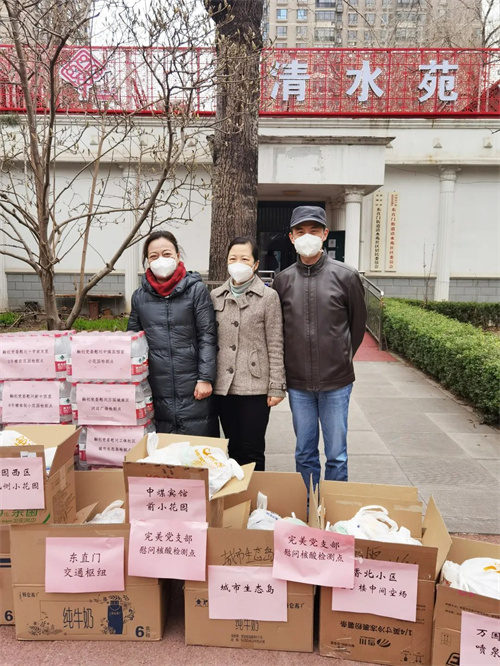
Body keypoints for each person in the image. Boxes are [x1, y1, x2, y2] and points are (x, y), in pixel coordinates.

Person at [272, 206, 367, 489]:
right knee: (304, 452)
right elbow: (278, 330)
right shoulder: (283, 280)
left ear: (325, 234)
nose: (307, 237)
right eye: (300, 231)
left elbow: (357, 326)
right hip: (298, 384)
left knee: (337, 454)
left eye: (314, 231)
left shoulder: (346, 276)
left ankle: (334, 507)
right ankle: (308, 504)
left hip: (336, 382)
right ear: (291, 237)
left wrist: (341, 358)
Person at [127, 230, 217, 436]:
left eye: (166, 254)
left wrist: (205, 377)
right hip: (156, 385)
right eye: (154, 256)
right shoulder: (139, 297)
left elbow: (207, 336)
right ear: (147, 261)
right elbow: (133, 342)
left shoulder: (196, 291)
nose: (161, 260)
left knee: (197, 446)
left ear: (177, 255)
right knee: (162, 448)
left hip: (193, 385)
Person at [211, 237, 286, 471]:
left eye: (245, 259)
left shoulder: (268, 297)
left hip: (255, 386)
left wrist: (276, 386)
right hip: (223, 386)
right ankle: (237, 494)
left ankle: (254, 494)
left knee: (252, 450)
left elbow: (275, 343)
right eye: (233, 258)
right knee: (232, 449)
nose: (238, 263)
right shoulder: (215, 296)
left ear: (255, 264)